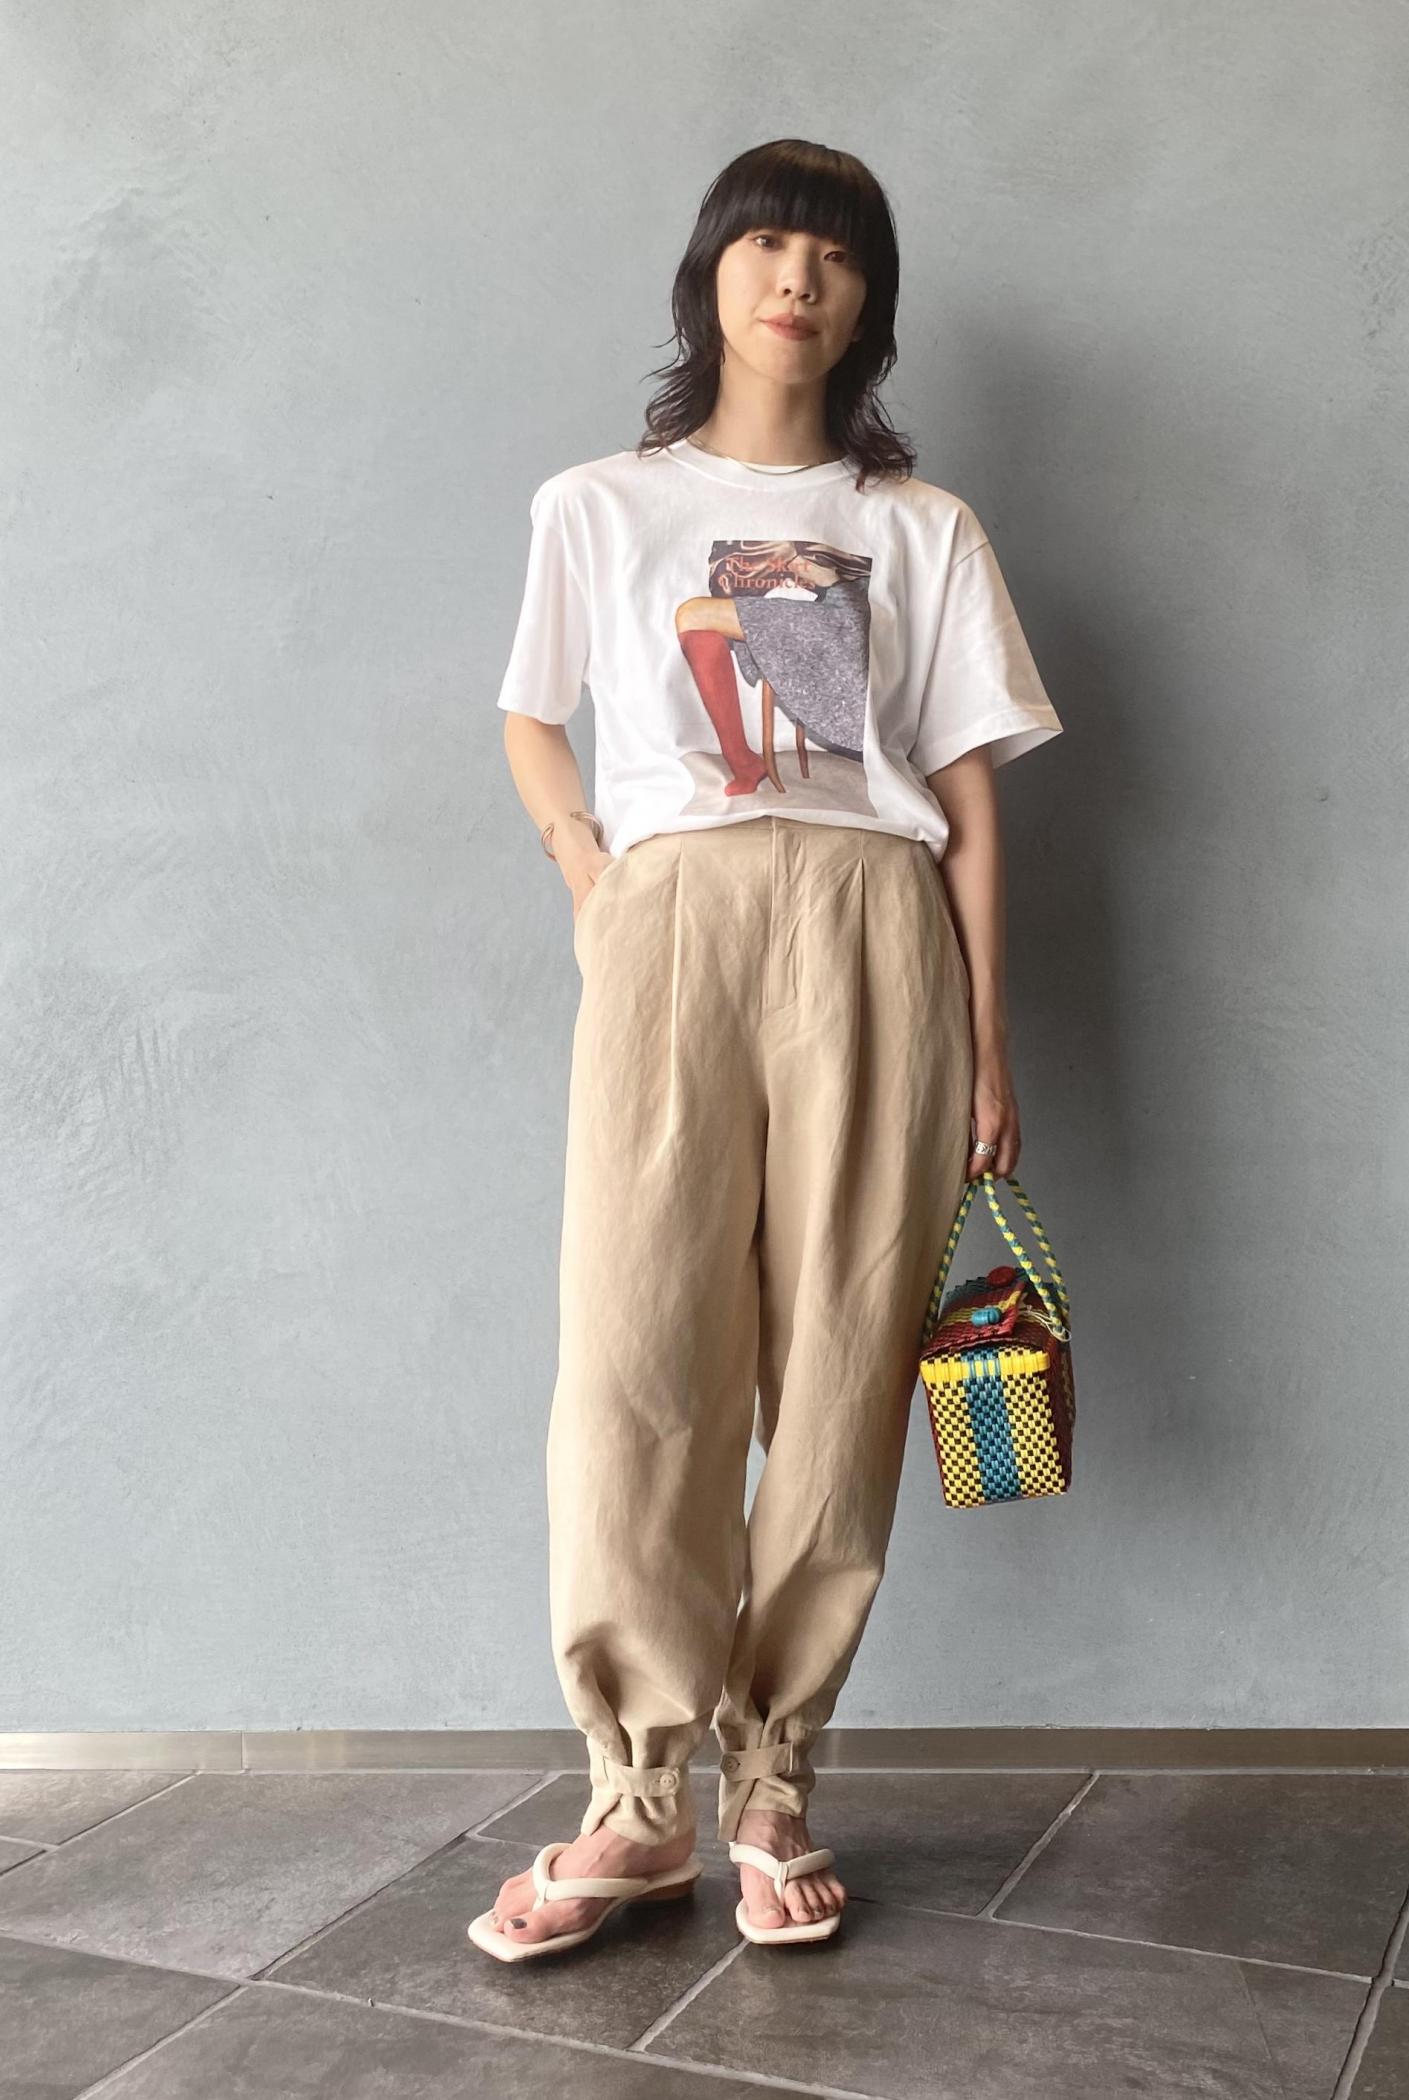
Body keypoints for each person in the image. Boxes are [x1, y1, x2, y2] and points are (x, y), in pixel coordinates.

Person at [471, 137, 1064, 1962]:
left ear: (869, 303)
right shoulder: (600, 503)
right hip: (673, 920)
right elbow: (531, 716)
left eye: (836, 255)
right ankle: (638, 1795)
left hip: (877, 925)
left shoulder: (924, 527)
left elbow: (966, 795)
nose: (798, 278)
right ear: (711, 275)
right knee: (636, 1346)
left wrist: (988, 1042)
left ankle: (777, 1776)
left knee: (842, 1357)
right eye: (767, 245)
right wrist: (595, 878)